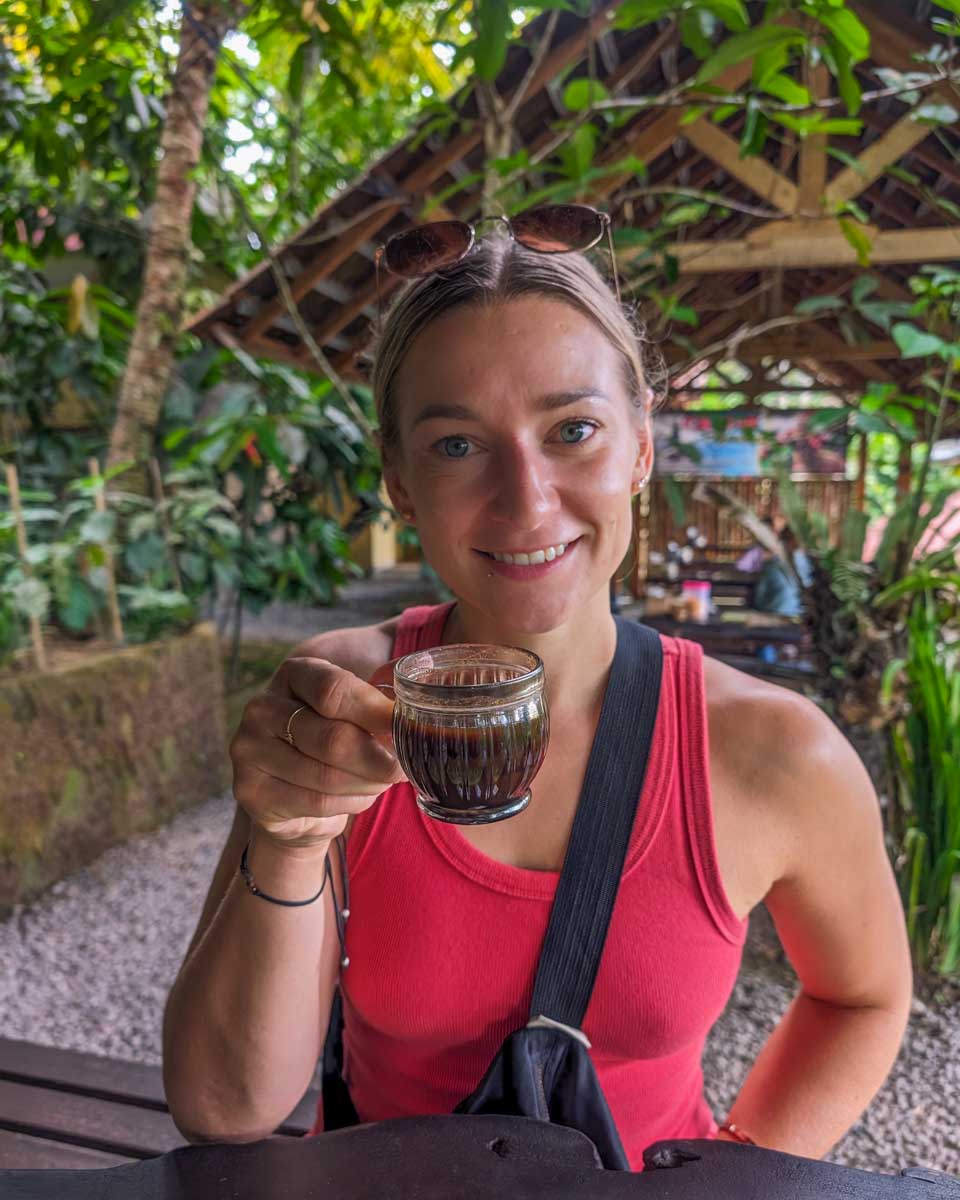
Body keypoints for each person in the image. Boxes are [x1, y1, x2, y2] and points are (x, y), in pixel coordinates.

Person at [162, 216, 912, 1169]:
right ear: (398, 479)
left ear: (641, 446)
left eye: (574, 431)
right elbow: (225, 1107)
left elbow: (862, 997)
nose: (527, 499)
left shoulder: (776, 752)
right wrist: (287, 832)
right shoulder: (340, 706)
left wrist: (730, 1174)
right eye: (455, 445)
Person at [753, 527, 813, 618]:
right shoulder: (808, 564)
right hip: (799, 614)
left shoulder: (772, 565)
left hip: (774, 612)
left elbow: (759, 599)